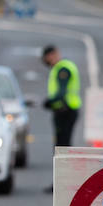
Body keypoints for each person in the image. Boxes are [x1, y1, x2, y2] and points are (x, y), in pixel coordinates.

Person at [41, 44, 81, 191]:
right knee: (63, 147)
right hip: (65, 111)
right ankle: (62, 182)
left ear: (53, 54)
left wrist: (49, 102)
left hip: (65, 111)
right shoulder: (63, 66)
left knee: (61, 149)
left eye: (47, 58)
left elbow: (61, 92)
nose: (47, 61)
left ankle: (62, 183)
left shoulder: (63, 69)